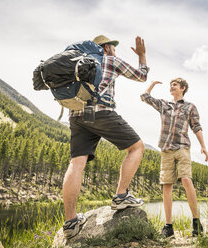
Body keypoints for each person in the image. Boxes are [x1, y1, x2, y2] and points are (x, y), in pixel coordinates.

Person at [62, 34, 149, 239]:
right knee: (137, 147)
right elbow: (141, 76)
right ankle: (121, 195)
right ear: (107, 47)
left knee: (76, 163)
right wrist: (142, 57)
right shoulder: (109, 60)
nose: (115, 51)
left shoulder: (78, 63)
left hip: (76, 115)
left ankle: (70, 222)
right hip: (100, 111)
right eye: (113, 47)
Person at [140, 78, 208, 237]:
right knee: (167, 185)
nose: (171, 87)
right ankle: (168, 227)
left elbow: (196, 127)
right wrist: (152, 85)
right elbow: (144, 97)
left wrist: (203, 146)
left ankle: (196, 222)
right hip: (166, 149)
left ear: (183, 88)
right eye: (171, 85)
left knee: (186, 179)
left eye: (175, 85)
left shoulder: (190, 107)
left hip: (182, 147)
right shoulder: (164, 105)